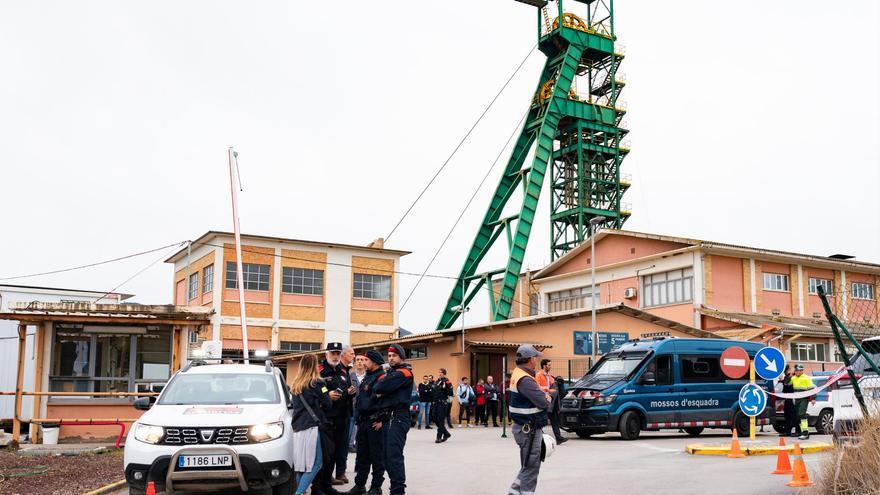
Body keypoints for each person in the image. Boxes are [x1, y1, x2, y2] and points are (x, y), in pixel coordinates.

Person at [507, 345, 551, 495]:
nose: (537, 359)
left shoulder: (519, 374)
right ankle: (526, 492)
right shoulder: (525, 379)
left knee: (528, 464)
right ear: (531, 359)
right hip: (528, 429)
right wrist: (547, 397)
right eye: (536, 357)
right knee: (531, 465)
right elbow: (543, 402)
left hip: (525, 427)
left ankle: (513, 492)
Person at [373, 344, 414, 495]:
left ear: (401, 357)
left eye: (394, 355)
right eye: (389, 356)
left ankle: (398, 491)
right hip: (388, 418)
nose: (390, 358)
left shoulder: (404, 372)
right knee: (386, 457)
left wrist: (382, 388)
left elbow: (380, 387)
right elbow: (378, 387)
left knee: (393, 457)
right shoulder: (392, 373)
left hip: (398, 418)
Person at [346, 350, 387, 495]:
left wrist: (382, 419)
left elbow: (384, 401)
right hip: (363, 422)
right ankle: (360, 486)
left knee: (377, 457)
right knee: (362, 457)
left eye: (366, 360)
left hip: (374, 423)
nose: (363, 363)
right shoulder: (368, 377)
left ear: (374, 362)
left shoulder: (381, 377)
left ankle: (376, 487)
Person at [290, 354, 332, 495]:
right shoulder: (318, 383)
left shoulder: (295, 385)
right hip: (312, 428)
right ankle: (299, 492)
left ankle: (301, 492)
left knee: (301, 466)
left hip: (297, 428)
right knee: (316, 463)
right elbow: (328, 403)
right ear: (315, 365)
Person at [319, 342, 355, 490]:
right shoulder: (320, 371)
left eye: (337, 354)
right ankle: (322, 481)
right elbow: (315, 388)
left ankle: (329, 478)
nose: (335, 356)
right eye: (332, 353)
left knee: (337, 450)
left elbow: (346, 389)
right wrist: (326, 394)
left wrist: (351, 392)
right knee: (326, 451)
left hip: (342, 417)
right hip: (327, 417)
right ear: (326, 354)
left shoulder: (343, 371)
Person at [536, 359, 566, 444]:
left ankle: (558, 438)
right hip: (543, 400)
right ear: (544, 366)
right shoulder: (538, 375)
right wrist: (548, 390)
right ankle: (538, 437)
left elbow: (554, 386)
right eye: (549, 365)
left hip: (551, 401)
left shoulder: (549, 376)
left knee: (554, 419)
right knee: (541, 419)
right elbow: (537, 387)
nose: (550, 366)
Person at [791, 364, 816, 440]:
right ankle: (803, 432)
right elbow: (787, 384)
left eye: (799, 371)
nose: (797, 372)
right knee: (798, 416)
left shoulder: (806, 378)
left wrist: (813, 398)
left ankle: (805, 433)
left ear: (802, 371)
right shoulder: (793, 378)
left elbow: (812, 389)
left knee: (802, 414)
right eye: (796, 371)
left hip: (804, 399)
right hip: (796, 399)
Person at [349, 354, 368, 452]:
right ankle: (350, 444)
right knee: (351, 426)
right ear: (354, 362)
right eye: (358, 360)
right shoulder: (350, 376)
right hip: (352, 406)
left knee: (362, 426)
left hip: (364, 407)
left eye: (362, 360)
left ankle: (360, 443)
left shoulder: (368, 377)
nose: (360, 361)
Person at [432, 369, 453, 443]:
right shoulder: (437, 381)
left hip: (442, 403)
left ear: (444, 374)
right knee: (435, 419)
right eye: (439, 372)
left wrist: (445, 388)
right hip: (435, 403)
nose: (439, 373)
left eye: (441, 372)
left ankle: (439, 437)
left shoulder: (447, 381)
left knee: (440, 421)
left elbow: (451, 392)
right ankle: (446, 433)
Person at [778, 364, 796, 437]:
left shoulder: (792, 377)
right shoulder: (786, 377)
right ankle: (787, 431)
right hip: (787, 400)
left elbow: (788, 385)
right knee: (787, 416)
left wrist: (783, 380)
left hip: (792, 399)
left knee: (793, 416)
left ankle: (795, 431)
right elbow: (784, 387)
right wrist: (781, 381)